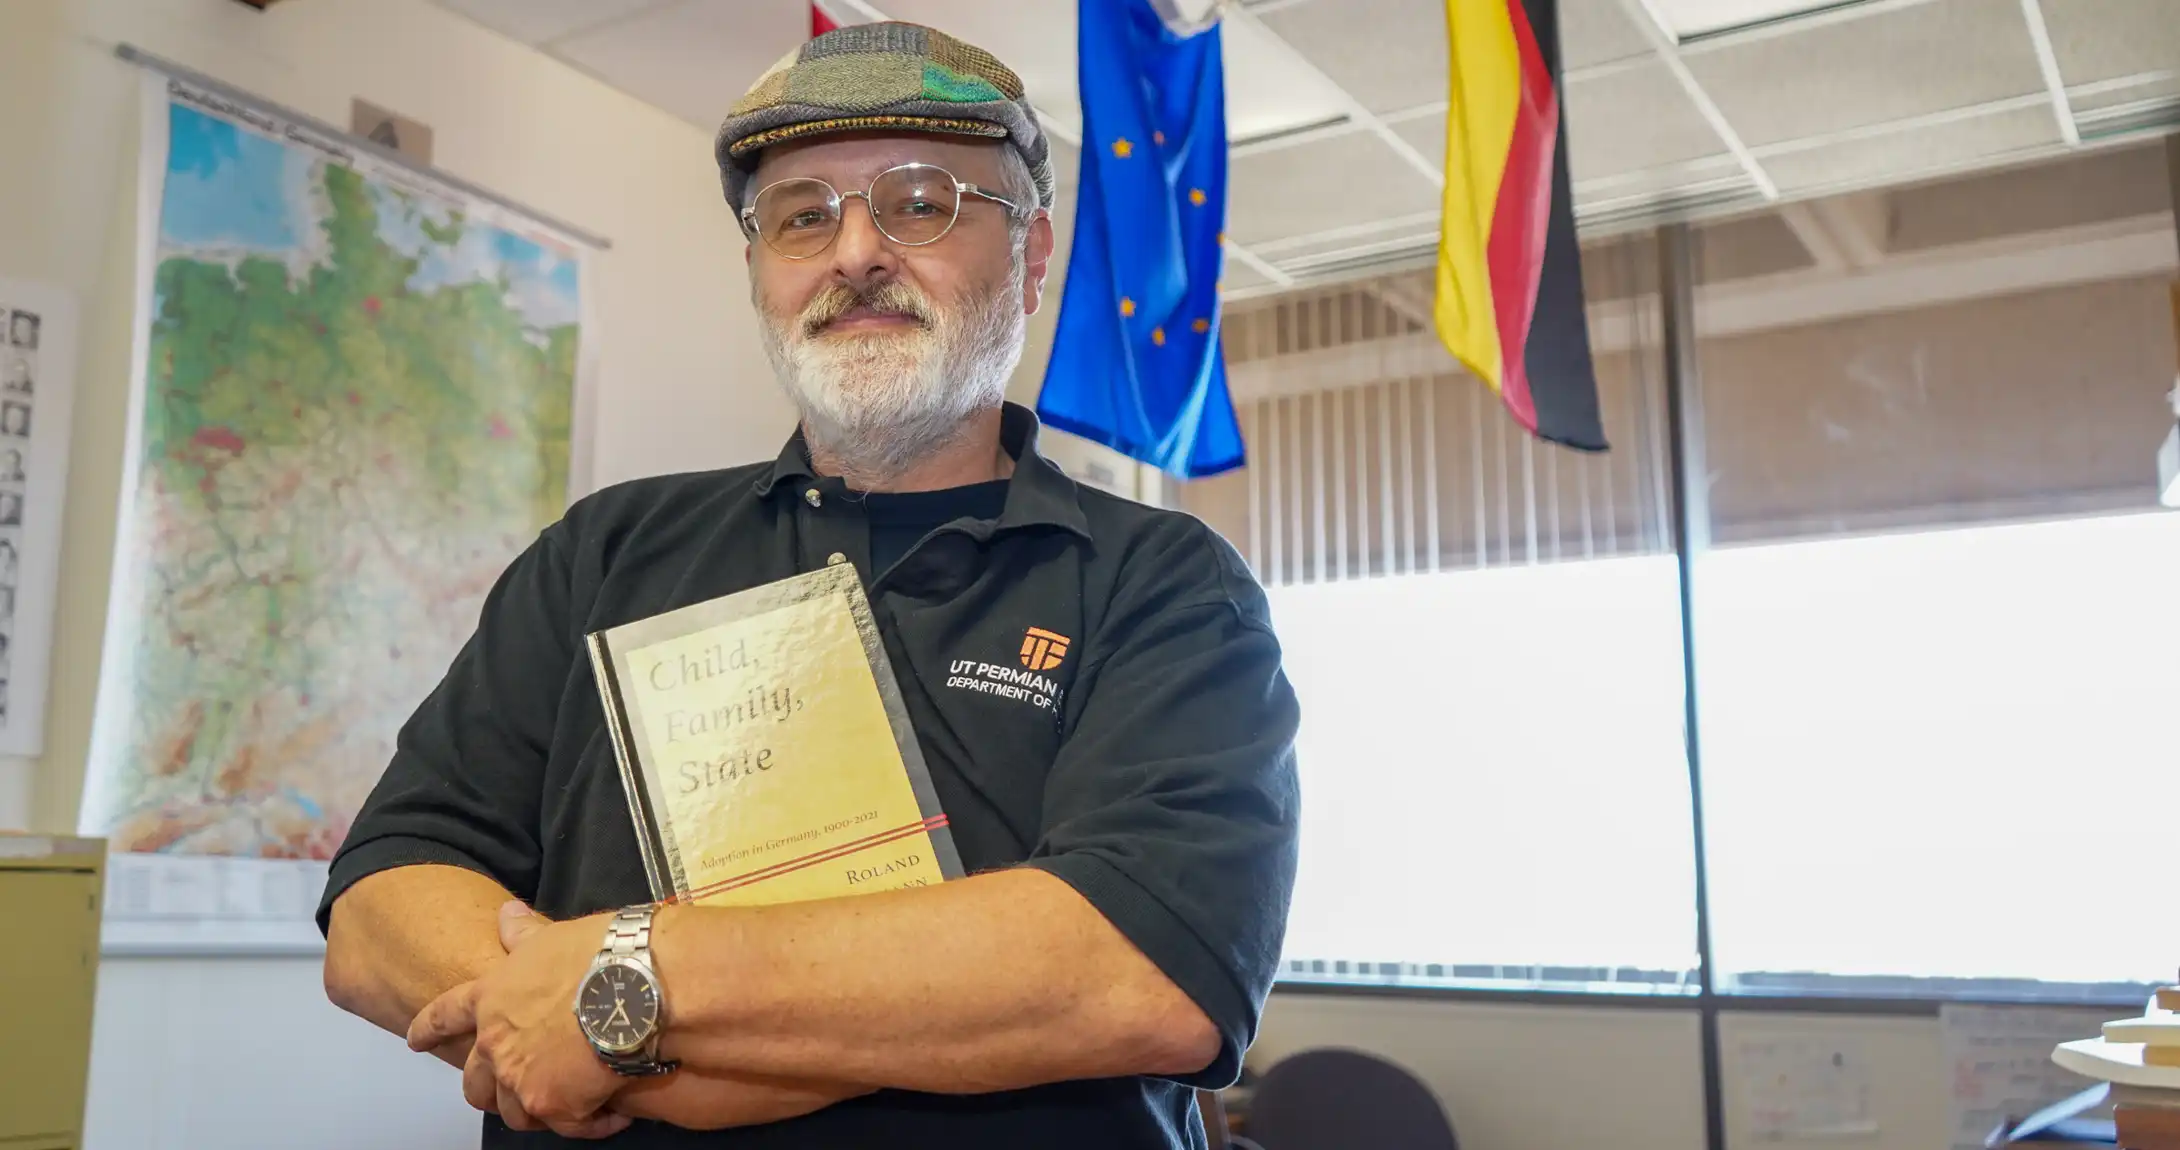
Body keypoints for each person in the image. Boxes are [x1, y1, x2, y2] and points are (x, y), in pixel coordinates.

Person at [319, 21, 1300, 1150]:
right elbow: (381, 906)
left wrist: (630, 994)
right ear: (758, 273)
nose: (854, 254)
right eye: (801, 215)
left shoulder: (1164, 585)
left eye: (920, 202)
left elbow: (1136, 971)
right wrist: (750, 1044)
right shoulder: (603, 554)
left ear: (1031, 261)